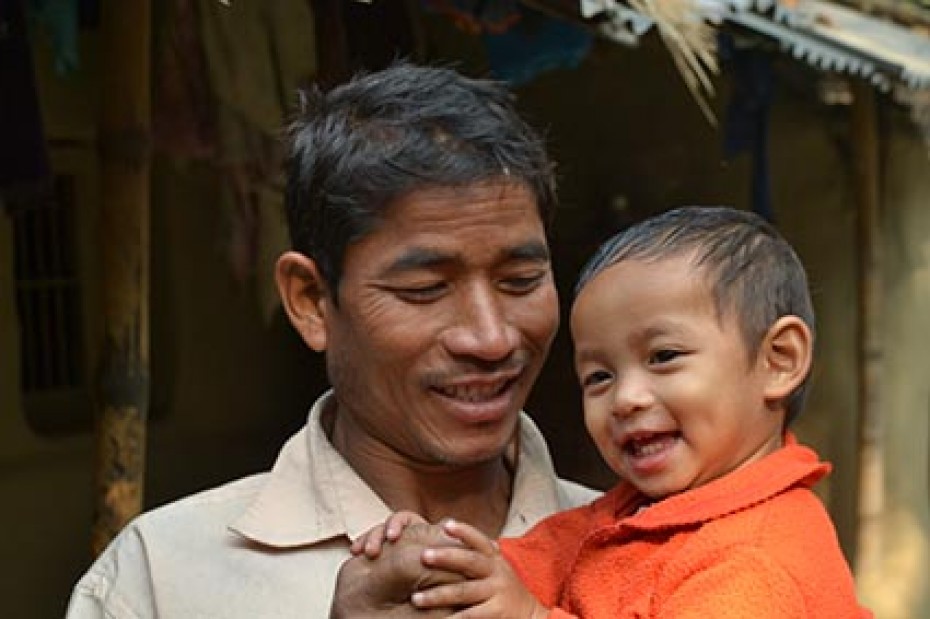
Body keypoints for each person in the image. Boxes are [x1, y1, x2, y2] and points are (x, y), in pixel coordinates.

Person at [65, 61, 598, 618]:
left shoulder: (651, 539)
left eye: (521, 281)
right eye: (424, 289)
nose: (491, 339)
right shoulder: (161, 576)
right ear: (311, 302)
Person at [346, 206, 872, 618]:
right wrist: (436, 558)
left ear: (779, 361)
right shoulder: (632, 516)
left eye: (663, 357)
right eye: (599, 376)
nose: (626, 399)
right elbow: (532, 561)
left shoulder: (753, 560)